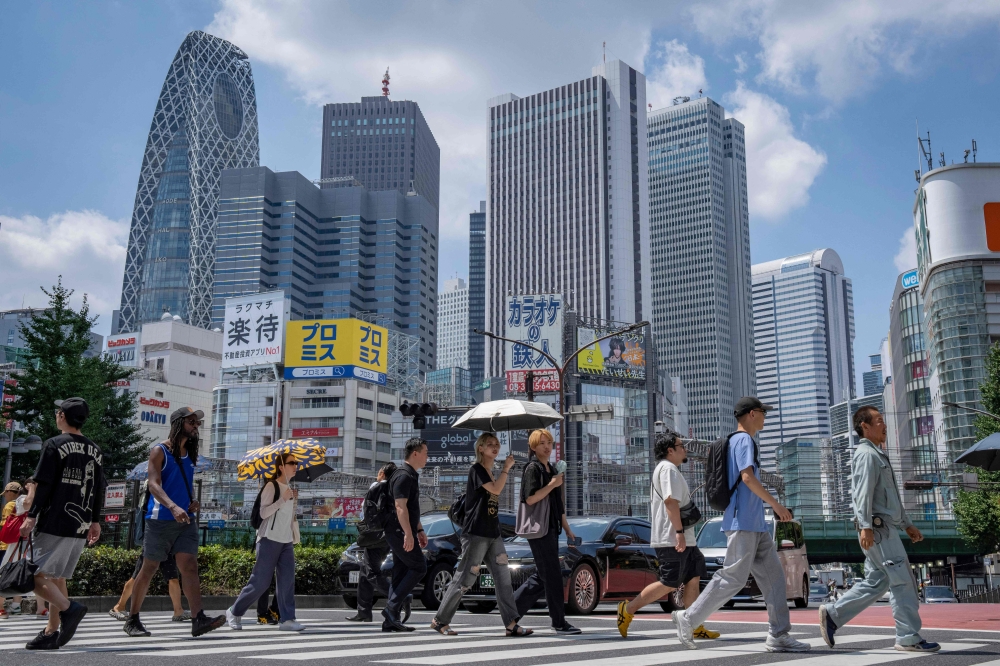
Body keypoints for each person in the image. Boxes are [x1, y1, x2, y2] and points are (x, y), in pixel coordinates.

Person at [672, 397, 809, 653]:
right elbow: (747, 477)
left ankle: (779, 635)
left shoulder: (738, 441)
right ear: (752, 414)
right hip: (743, 522)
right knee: (732, 578)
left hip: (755, 524)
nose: (765, 417)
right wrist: (776, 506)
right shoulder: (744, 440)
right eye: (763, 413)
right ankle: (688, 618)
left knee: (775, 579)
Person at [819, 407, 939, 652]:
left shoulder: (877, 454)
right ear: (865, 426)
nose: (884, 426)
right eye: (880, 421)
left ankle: (833, 614)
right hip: (879, 529)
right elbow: (863, 494)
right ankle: (908, 637)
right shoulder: (867, 455)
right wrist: (865, 526)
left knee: (878, 581)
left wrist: (907, 524)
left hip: (883, 527)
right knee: (902, 581)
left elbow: (890, 496)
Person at [124, 407, 225, 638]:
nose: (195, 426)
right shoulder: (159, 451)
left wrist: (193, 501)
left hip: (185, 519)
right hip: (160, 520)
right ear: (178, 423)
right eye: (191, 422)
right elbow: (154, 484)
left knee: (189, 565)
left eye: (197, 422)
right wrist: (172, 506)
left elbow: (182, 484)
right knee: (148, 569)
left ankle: (198, 618)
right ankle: (133, 619)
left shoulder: (189, 453)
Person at [19, 398, 105, 650]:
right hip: (79, 524)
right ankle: (51, 631)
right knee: (57, 578)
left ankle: (70, 609)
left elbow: (43, 483)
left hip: (54, 519)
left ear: (62, 415)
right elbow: (99, 488)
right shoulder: (95, 449)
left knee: (33, 577)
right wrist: (96, 521)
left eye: (58, 412)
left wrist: (31, 515)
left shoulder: (54, 444)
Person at [617, 432, 718, 640]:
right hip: (672, 537)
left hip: (684, 539)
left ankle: (693, 624)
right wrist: (679, 533)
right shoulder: (668, 469)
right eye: (681, 445)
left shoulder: (670, 470)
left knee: (693, 577)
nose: (685, 449)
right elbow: (670, 502)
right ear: (670, 450)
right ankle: (627, 610)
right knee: (669, 582)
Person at [431, 434, 532, 637]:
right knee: (465, 579)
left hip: (493, 534)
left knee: (503, 578)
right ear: (480, 449)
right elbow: (496, 489)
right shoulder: (476, 470)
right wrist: (506, 468)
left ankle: (511, 623)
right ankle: (440, 620)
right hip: (476, 533)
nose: (495, 448)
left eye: (497, 444)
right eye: (490, 445)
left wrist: (502, 470)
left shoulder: (491, 471)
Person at [226, 452, 305, 632]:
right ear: (281, 467)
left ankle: (287, 619)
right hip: (269, 539)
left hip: (286, 540)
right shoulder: (271, 486)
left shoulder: (289, 488)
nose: (296, 466)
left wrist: (293, 502)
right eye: (292, 463)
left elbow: (288, 518)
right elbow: (263, 513)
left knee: (287, 580)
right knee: (260, 582)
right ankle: (234, 611)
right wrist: (282, 499)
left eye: (296, 463)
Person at [513, 429, 581, 635]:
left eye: (549, 442)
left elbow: (557, 504)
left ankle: (511, 612)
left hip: (551, 528)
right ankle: (559, 621)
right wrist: (552, 485)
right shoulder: (532, 468)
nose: (547, 446)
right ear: (533, 447)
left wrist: (567, 529)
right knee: (551, 575)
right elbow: (530, 498)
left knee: (544, 575)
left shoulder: (551, 468)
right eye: (542, 443)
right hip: (539, 529)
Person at [109, 481, 190, 622]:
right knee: (138, 576)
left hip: (167, 540)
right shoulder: (153, 488)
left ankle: (178, 611)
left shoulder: (167, 489)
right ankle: (119, 606)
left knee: (172, 577)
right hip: (154, 538)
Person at [347, 463, 409, 623]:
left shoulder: (377, 486)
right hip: (387, 535)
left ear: (382, 473)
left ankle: (400, 597)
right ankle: (364, 611)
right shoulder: (395, 488)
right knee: (364, 571)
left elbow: (365, 509)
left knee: (372, 572)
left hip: (374, 535)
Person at [382, 438, 429, 632]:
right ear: (415, 454)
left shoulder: (411, 475)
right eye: (425, 452)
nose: (428, 456)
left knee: (400, 573)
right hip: (398, 531)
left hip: (403, 531)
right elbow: (400, 507)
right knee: (419, 567)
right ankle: (391, 608)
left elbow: (411, 508)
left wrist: (418, 530)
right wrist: (408, 534)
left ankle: (391, 619)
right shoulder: (404, 476)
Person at [1, 481, 24, 619]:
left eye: (6, 493)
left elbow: (5, 525)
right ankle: (16, 605)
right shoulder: (26, 503)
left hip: (5, 545)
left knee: (2, 575)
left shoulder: (10, 505)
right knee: (17, 575)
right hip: (19, 545)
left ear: (10, 493)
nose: (5, 496)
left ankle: (1, 608)